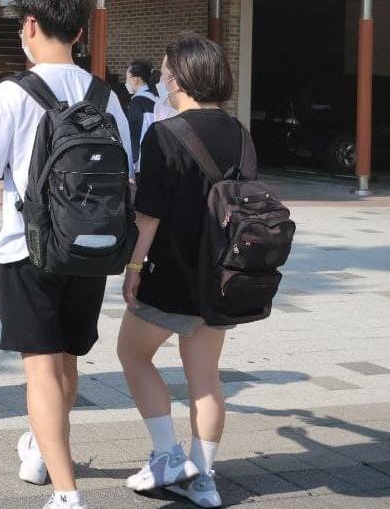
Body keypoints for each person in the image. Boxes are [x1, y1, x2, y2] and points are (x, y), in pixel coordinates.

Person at [0, 0, 132, 509]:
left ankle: (66, 493)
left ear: (31, 27)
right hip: (92, 248)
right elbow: (127, 176)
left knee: (39, 370)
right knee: (66, 362)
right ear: (79, 33)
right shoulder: (107, 97)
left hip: (26, 250)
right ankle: (40, 451)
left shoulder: (11, 94)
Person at [116, 33, 242, 509]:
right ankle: (204, 479)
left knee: (132, 354)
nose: (163, 79)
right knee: (205, 377)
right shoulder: (240, 133)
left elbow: (148, 216)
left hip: (172, 273)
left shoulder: (163, 134)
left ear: (183, 77)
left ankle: (167, 454)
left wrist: (132, 269)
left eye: (167, 71)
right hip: (225, 275)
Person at [125, 60, 161, 173]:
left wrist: (132, 164)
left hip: (142, 162)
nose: (126, 82)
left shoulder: (137, 102)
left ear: (135, 79)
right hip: (158, 156)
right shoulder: (157, 98)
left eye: (127, 78)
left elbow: (134, 135)